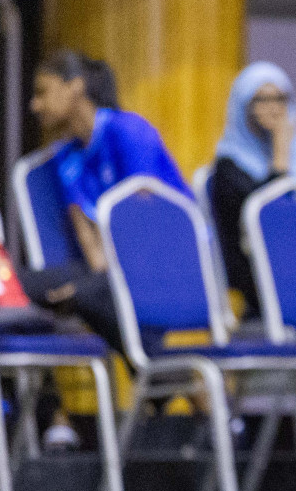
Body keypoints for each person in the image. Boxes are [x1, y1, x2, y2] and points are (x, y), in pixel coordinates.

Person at [22, 50, 189, 348]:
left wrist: (85, 289)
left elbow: (148, 223)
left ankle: (170, 376)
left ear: (75, 87)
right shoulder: (66, 159)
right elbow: (94, 253)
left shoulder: (129, 131)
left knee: (85, 294)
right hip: (110, 270)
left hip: (167, 262)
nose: (34, 105)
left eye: (42, 92)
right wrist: (88, 284)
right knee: (20, 286)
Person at [211, 61, 296, 317]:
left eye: (280, 98)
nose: (273, 108)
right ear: (242, 106)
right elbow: (262, 222)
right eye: (261, 99)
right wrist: (280, 158)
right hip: (261, 282)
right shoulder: (229, 166)